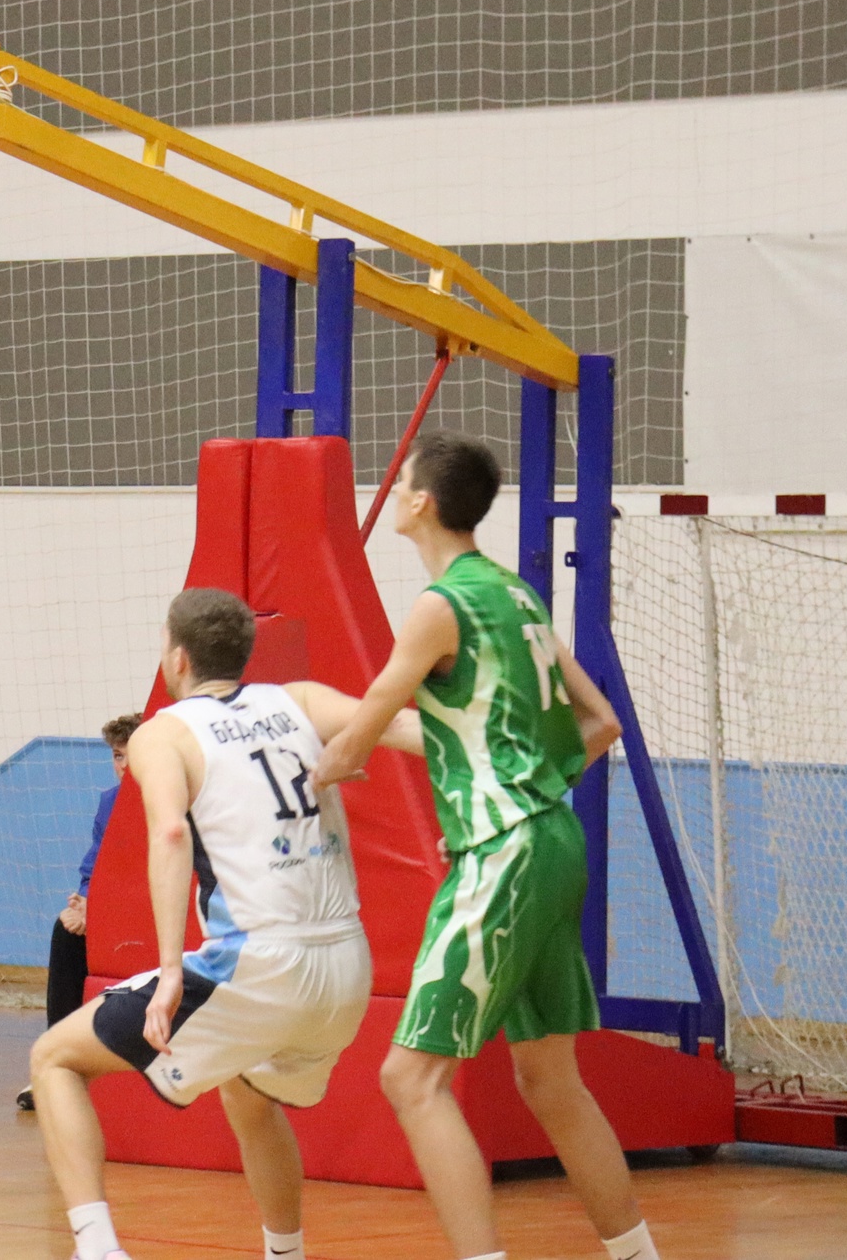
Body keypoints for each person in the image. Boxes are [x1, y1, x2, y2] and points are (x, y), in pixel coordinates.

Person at [314, 432, 655, 1260]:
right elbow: (602, 720)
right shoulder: (518, 594)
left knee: (409, 1077)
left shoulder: (440, 606)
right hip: (554, 839)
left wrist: (310, 770)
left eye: (401, 482)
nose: (394, 490)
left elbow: (359, 735)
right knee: (551, 1081)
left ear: (421, 502)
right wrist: (522, 784)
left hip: (504, 848)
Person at [26, 588, 422, 1260]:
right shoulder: (300, 700)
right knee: (247, 1090)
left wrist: (170, 972)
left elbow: (170, 834)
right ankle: (285, 1253)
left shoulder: (162, 733)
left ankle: (97, 1249)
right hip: (347, 970)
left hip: (261, 965)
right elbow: (412, 730)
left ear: (178, 657)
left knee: (53, 1059)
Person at [18, 714, 142, 1111]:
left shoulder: (176, 801)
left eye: (132, 754)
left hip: (154, 913)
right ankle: (57, 1069)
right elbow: (94, 869)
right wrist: (88, 902)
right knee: (65, 931)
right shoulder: (110, 802)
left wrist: (103, 908)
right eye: (118, 756)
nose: (124, 766)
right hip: (113, 911)